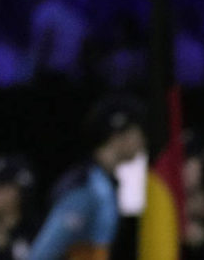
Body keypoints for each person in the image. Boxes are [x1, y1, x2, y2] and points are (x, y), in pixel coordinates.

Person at [27, 95, 147, 260]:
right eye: (138, 132)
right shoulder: (87, 188)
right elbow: (40, 255)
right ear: (118, 135)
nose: (143, 140)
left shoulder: (106, 184)